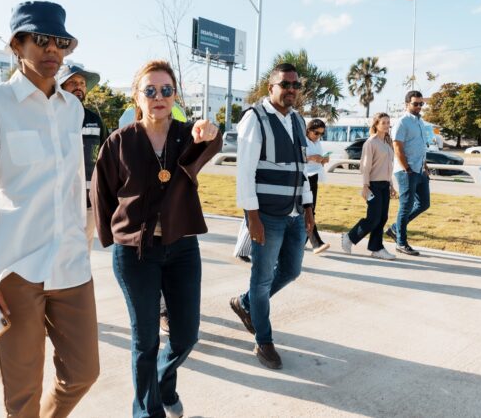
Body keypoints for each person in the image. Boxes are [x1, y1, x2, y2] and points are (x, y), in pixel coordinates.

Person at [0, 1, 99, 417]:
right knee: (22, 394)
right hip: (14, 269)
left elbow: (72, 189)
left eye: (61, 42)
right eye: (42, 39)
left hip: (72, 265)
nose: (53, 50)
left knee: (84, 372)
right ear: (17, 44)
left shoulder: (73, 110)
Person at [92, 60, 221, 418]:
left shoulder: (186, 135)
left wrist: (210, 131)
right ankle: (147, 413)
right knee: (145, 340)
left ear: (175, 95)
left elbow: (211, 143)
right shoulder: (120, 142)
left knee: (185, 337)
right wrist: (112, 237)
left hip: (181, 249)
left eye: (166, 90)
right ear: (137, 97)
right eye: (149, 91)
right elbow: (101, 193)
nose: (158, 97)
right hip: (136, 253)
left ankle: (164, 382)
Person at [229, 63, 314, 370]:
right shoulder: (255, 118)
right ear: (271, 87)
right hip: (267, 215)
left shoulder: (297, 120)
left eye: (295, 85)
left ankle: (246, 303)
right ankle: (263, 340)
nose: (291, 89)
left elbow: (301, 170)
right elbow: (245, 173)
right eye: (285, 84)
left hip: (293, 214)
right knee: (262, 279)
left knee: (291, 271)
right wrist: (252, 217)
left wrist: (308, 207)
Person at [57, 62, 108, 254]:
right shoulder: (50, 116)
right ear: (60, 86)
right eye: (72, 82)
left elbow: (105, 160)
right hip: (59, 202)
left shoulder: (95, 120)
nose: (79, 86)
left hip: (88, 203)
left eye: (82, 83)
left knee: (82, 256)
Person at [341, 113, 398, 259]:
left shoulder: (387, 142)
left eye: (388, 122)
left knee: (382, 218)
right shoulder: (370, 143)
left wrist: (391, 185)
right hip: (373, 185)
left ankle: (376, 248)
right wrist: (365, 186)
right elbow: (365, 166)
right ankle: (349, 238)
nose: (386, 125)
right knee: (373, 218)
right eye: (383, 122)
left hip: (385, 185)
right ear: (376, 124)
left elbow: (388, 166)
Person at [385, 91, 430, 256]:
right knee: (405, 207)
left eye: (421, 104)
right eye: (415, 104)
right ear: (407, 104)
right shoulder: (402, 122)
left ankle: (395, 229)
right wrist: (407, 169)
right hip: (407, 171)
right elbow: (397, 147)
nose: (418, 107)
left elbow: (420, 146)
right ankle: (401, 243)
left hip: (419, 170)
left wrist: (424, 167)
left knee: (424, 203)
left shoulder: (420, 122)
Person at [304, 118, 331, 254]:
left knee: (311, 210)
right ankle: (316, 243)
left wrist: (323, 160)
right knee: (307, 211)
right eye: (316, 133)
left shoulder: (317, 142)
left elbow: (318, 160)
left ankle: (301, 241)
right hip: (303, 178)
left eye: (321, 134)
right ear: (308, 130)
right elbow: (295, 157)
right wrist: (310, 158)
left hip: (314, 177)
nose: (318, 136)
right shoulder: (302, 140)